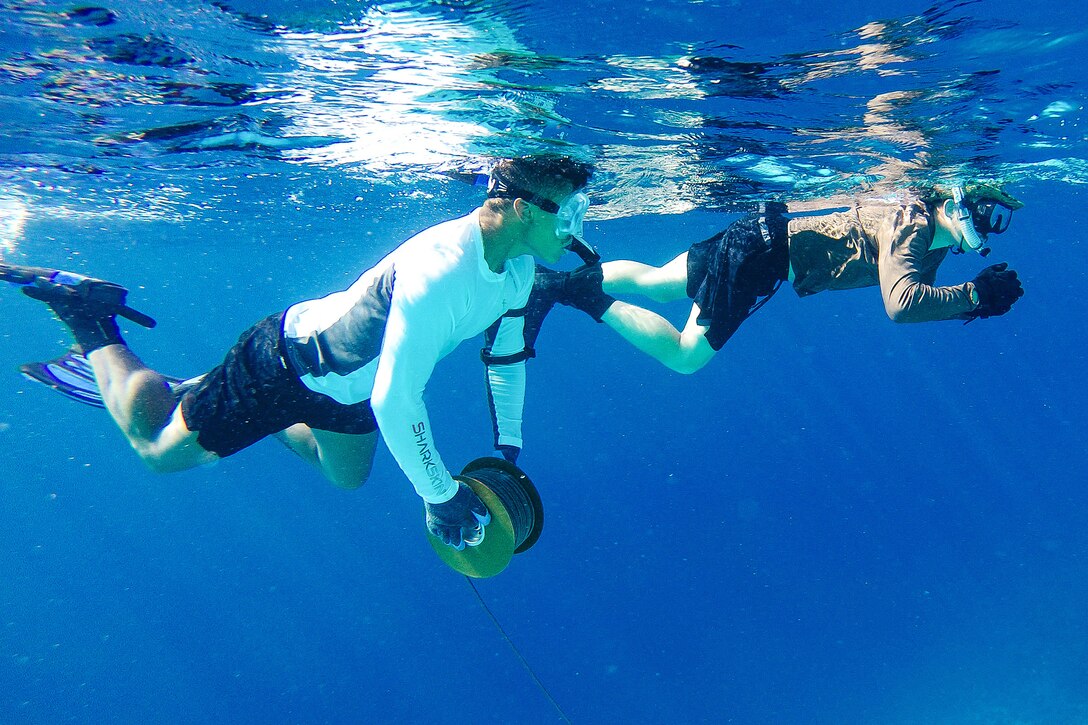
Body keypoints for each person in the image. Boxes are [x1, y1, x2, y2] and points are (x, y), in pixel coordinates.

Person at [8, 155, 594, 551]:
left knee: (346, 477)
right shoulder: (441, 268)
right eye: (567, 212)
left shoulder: (517, 272)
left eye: (582, 212)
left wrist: (507, 448)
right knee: (156, 449)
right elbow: (397, 399)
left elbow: (508, 356)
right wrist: (441, 495)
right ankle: (90, 320)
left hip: (348, 391)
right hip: (284, 366)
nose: (576, 227)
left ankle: (204, 391)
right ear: (520, 206)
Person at [553, 183, 1025, 373]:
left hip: (757, 235)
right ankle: (577, 295)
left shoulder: (928, 234)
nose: (990, 226)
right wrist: (974, 293)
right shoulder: (914, 224)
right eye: (988, 213)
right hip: (761, 256)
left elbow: (920, 293)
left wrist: (974, 301)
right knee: (684, 358)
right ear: (959, 203)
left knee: (659, 281)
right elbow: (901, 303)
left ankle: (562, 279)